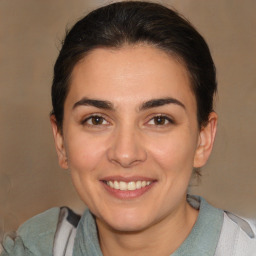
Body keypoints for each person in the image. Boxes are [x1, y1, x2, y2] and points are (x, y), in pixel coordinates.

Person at [1, 1, 256, 255]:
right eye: (97, 120)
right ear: (60, 140)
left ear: (203, 138)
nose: (125, 154)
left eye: (159, 120)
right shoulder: (30, 249)